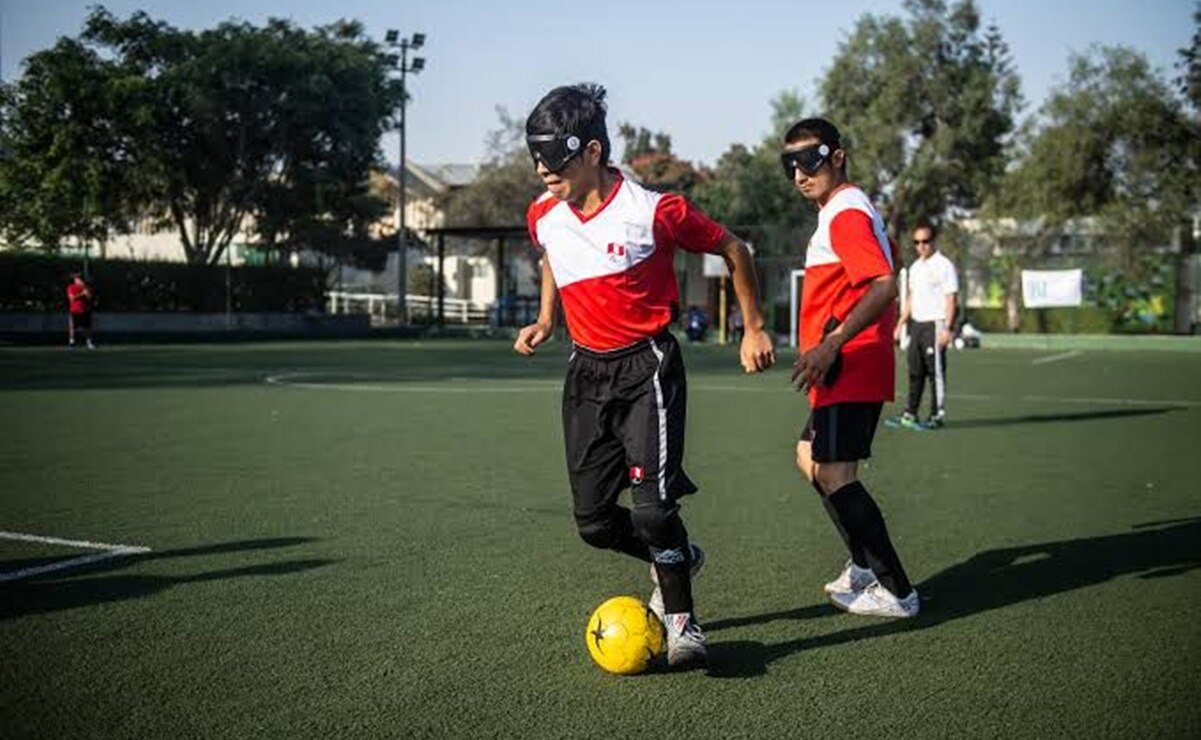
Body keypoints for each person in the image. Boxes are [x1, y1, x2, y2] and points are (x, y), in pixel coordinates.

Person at [514, 84, 775, 667]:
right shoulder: (543, 214)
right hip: (585, 372)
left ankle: (683, 623)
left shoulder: (654, 212)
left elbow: (735, 249)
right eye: (536, 156)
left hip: (647, 369)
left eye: (554, 157)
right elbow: (551, 253)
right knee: (595, 524)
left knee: (654, 509)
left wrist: (753, 326)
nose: (542, 169)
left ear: (592, 152)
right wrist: (546, 318)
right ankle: (678, 554)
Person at [783, 117, 919, 618]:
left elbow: (884, 283)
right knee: (808, 457)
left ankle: (897, 591)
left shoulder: (844, 213)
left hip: (850, 360)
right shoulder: (847, 209)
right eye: (790, 163)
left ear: (838, 156)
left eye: (811, 159)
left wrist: (834, 341)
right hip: (841, 363)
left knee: (835, 472)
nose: (800, 172)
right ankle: (862, 566)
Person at [891, 223, 958, 429]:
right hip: (916, 326)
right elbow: (912, 298)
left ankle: (936, 415)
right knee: (915, 370)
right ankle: (910, 413)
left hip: (935, 324)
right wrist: (900, 324)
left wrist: (948, 328)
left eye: (925, 241)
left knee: (934, 372)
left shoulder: (944, 265)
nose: (922, 246)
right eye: (917, 242)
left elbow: (951, 298)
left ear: (933, 241)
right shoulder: (915, 267)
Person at [66, 273, 96, 349]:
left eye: (80, 279)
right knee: (72, 327)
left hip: (85, 310)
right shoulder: (70, 287)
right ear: (75, 280)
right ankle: (72, 343)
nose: (79, 280)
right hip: (74, 310)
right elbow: (72, 298)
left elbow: (90, 298)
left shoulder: (86, 287)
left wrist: (87, 292)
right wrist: (82, 294)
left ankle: (89, 343)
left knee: (87, 328)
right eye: (78, 279)